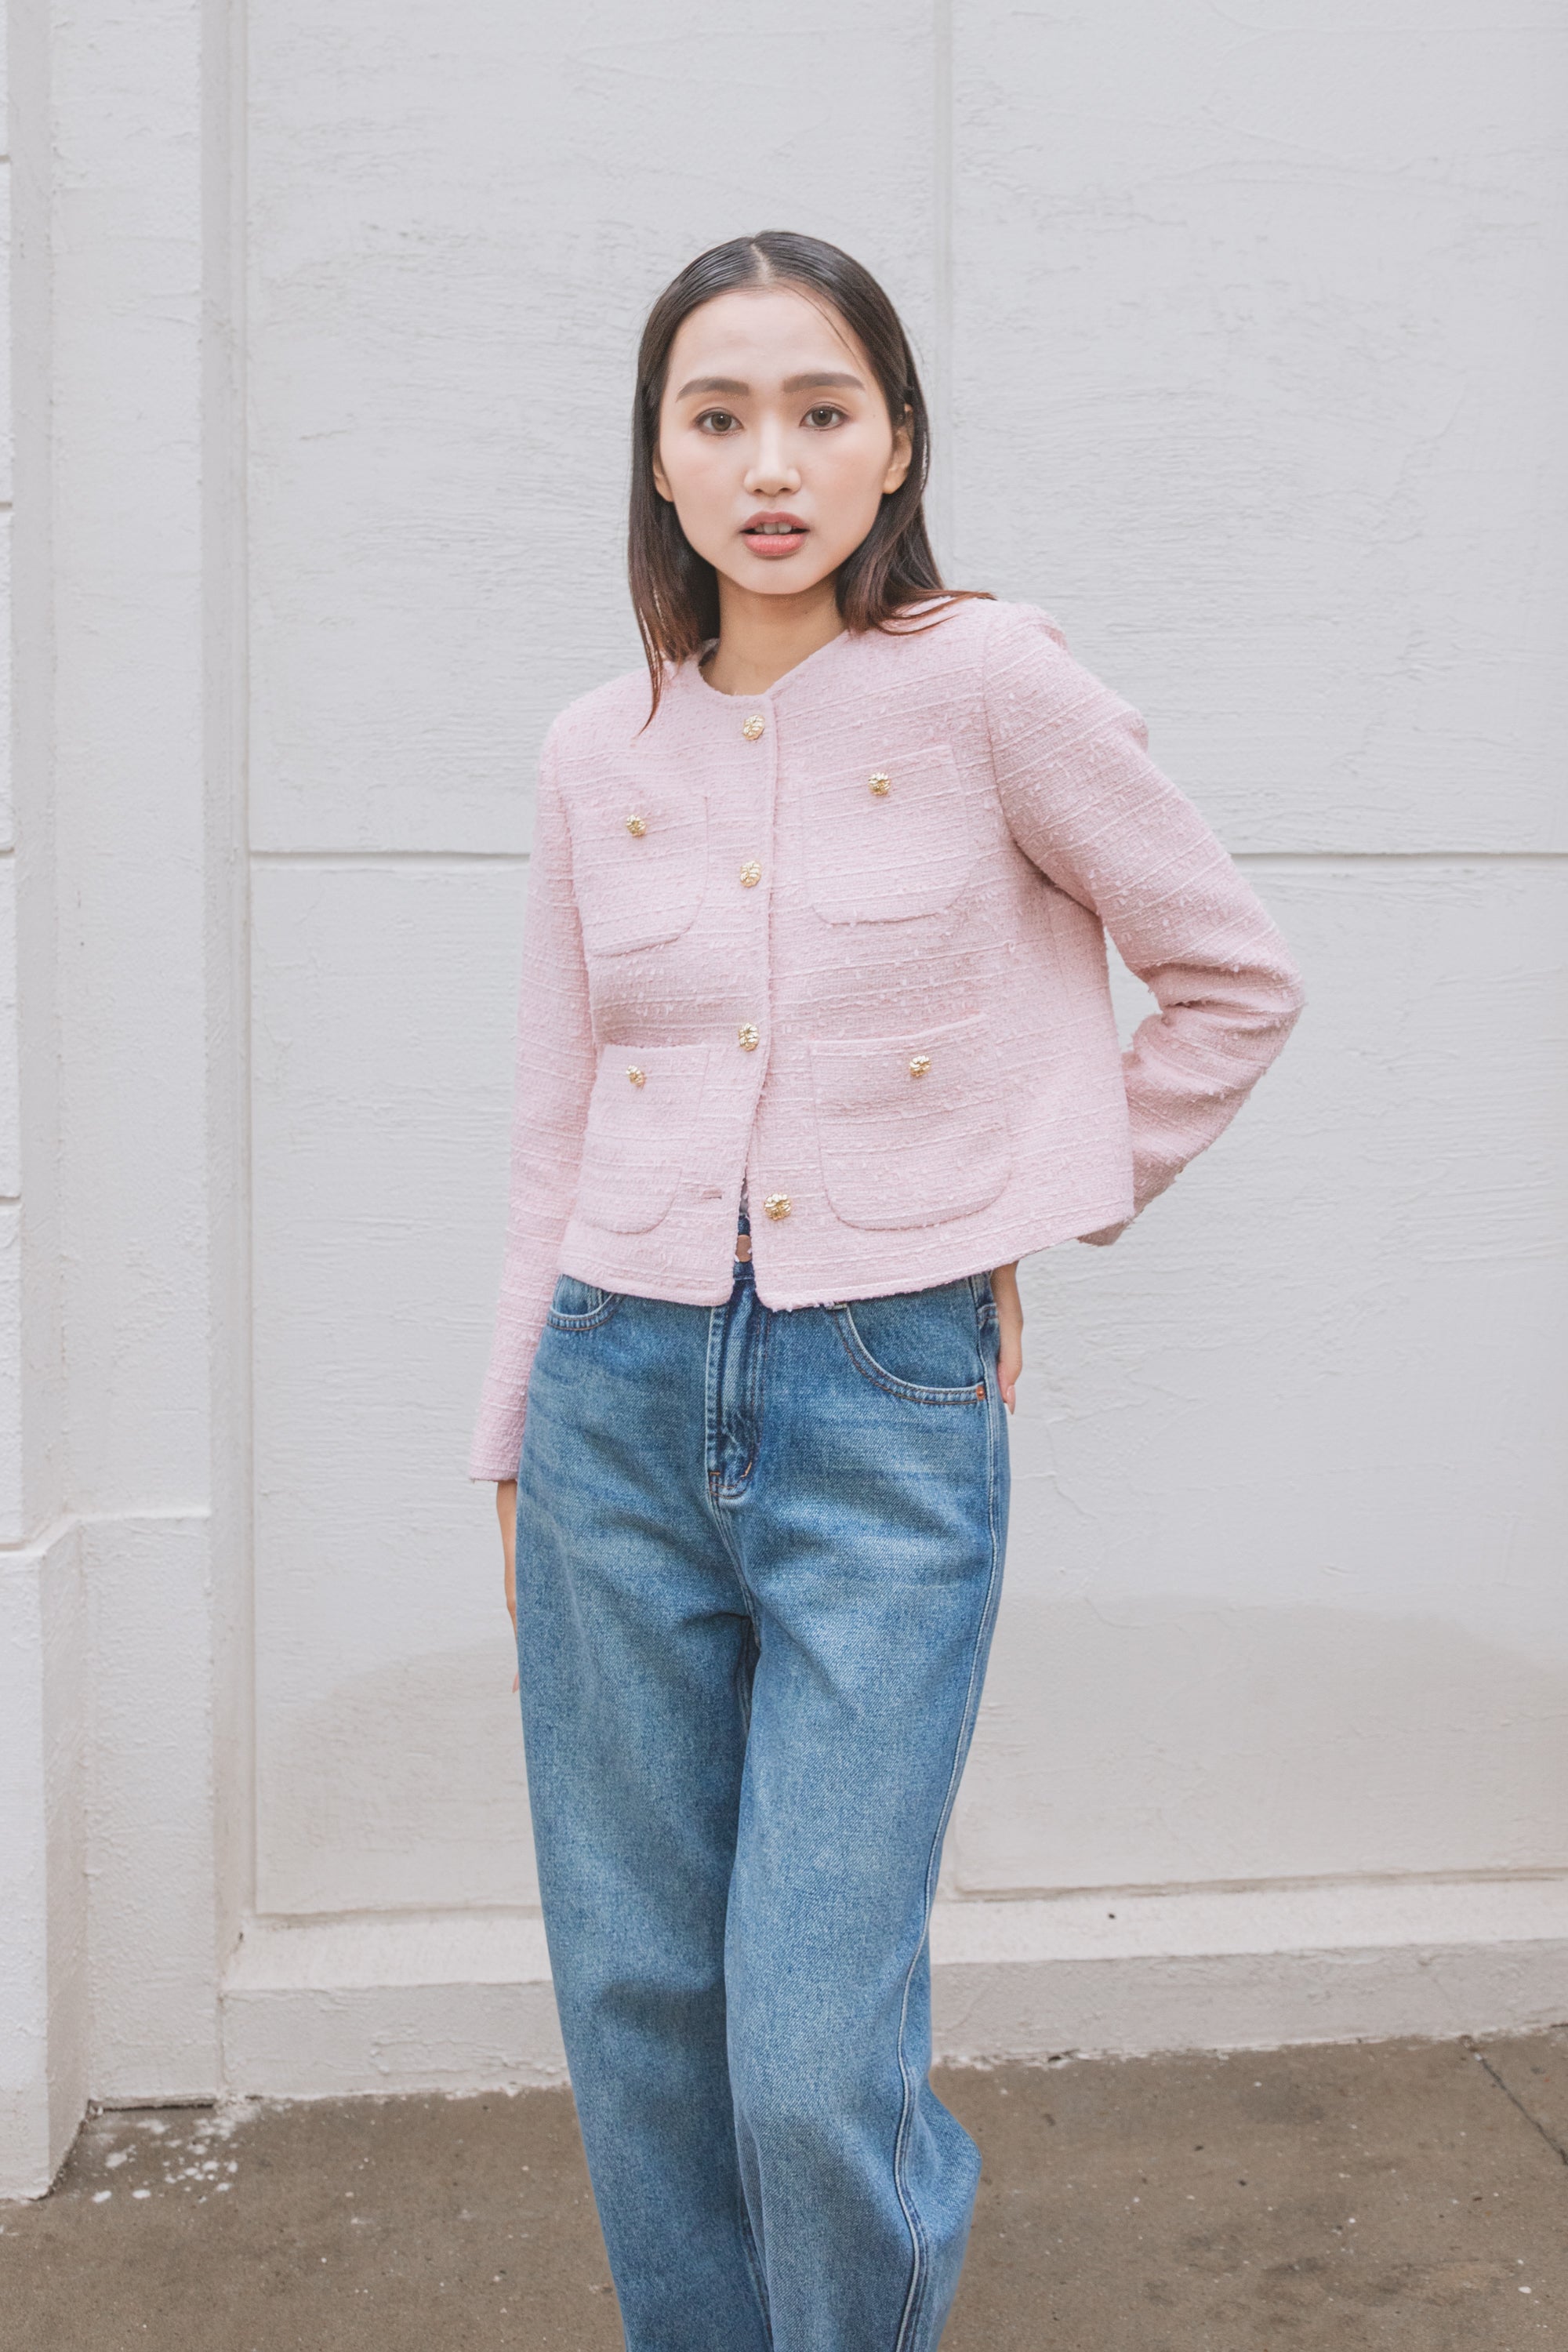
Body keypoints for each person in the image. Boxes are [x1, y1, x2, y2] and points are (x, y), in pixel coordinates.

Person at [470, 229, 1304, 2352]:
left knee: (809, 2045)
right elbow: (558, 1125)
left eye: (820, 411)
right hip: (610, 1394)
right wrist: (511, 1441)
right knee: (638, 1997)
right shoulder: (592, 749)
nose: (772, 463)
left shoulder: (990, 684)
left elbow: (1230, 977)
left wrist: (1007, 1207)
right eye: (719, 416)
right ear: (659, 456)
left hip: (883, 1404)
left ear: (897, 443)